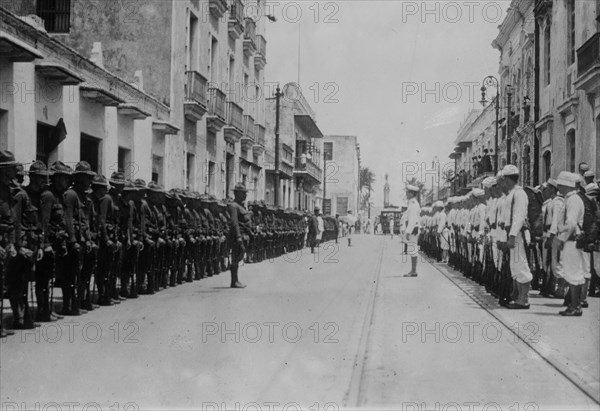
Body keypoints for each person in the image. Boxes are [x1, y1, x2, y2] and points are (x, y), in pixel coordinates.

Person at [555, 171, 587, 316]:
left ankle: (575, 306)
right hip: (571, 239)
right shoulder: (571, 198)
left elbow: (571, 223)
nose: (559, 186)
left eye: (560, 184)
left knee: (573, 273)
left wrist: (562, 238)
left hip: (571, 239)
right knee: (574, 273)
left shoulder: (572, 200)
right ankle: (575, 304)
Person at [501, 164, 533, 309]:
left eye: (505, 178)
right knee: (515, 265)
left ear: (509, 179)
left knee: (521, 264)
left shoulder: (519, 194)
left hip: (518, 234)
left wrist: (513, 235)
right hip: (513, 234)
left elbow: (519, 217)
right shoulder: (511, 193)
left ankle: (524, 299)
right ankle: (518, 296)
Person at [229, 183, 251, 288]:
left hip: (244, 235)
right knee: (235, 258)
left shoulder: (240, 206)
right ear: (237, 194)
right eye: (243, 193)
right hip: (239, 236)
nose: (245, 195)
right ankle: (234, 281)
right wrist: (238, 237)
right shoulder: (234, 206)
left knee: (238, 257)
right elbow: (234, 223)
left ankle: (236, 280)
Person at [404, 184, 421, 277]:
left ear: (412, 193)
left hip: (413, 229)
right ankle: (413, 270)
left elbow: (412, 219)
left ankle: (414, 271)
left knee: (413, 249)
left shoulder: (413, 204)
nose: (406, 194)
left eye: (408, 192)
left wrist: (408, 231)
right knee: (412, 249)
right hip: (413, 229)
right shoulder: (412, 203)